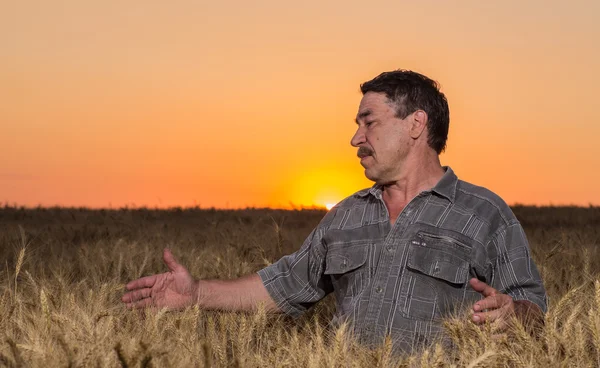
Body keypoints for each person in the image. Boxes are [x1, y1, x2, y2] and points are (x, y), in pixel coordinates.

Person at [122, 70, 547, 352]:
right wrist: (196, 294)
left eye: (369, 121)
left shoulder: (485, 213)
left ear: (416, 124)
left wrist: (516, 315)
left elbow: (532, 308)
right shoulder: (345, 216)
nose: (354, 138)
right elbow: (283, 286)